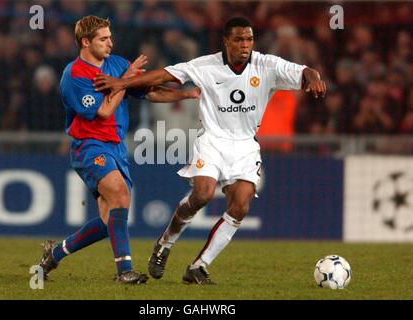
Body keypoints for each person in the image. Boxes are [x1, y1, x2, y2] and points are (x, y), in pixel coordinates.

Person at [94, 17, 326, 284]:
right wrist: (122, 84)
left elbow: (306, 72)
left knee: (240, 205)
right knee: (202, 194)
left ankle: (198, 267)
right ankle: (166, 242)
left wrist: (314, 78)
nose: (245, 45)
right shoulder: (205, 66)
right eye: (238, 39)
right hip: (212, 140)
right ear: (226, 41)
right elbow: (164, 75)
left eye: (249, 39)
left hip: (245, 145)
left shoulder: (267, 65)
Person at [37, 15, 200, 285]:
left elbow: (148, 92)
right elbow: (103, 111)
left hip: (116, 147)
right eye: (104, 38)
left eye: (110, 37)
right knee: (121, 195)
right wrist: (124, 80)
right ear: (86, 42)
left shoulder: (117, 64)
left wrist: (187, 94)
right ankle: (124, 271)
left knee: (107, 221)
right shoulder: (74, 75)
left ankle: (54, 254)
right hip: (89, 146)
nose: (110, 43)